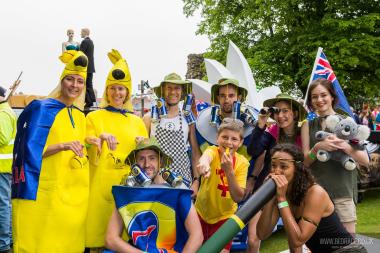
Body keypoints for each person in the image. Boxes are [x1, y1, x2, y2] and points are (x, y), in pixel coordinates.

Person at [11, 50, 89, 253]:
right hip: (44, 195)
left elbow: (79, 150)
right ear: (61, 81)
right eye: (70, 79)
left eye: (80, 81)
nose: (74, 85)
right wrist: (62, 146)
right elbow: (28, 152)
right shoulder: (42, 108)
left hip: (70, 195)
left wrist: (91, 143)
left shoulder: (80, 116)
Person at [85, 49, 148, 251]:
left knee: (126, 239)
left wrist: (144, 145)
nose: (117, 93)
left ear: (127, 92)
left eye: (121, 89)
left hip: (128, 189)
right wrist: (97, 139)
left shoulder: (137, 121)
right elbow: (85, 147)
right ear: (106, 91)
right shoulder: (94, 118)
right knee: (98, 238)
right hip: (99, 187)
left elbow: (146, 158)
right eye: (113, 88)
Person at [257, 143, 366, 253]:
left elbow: (297, 240)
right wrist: (270, 199)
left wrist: (281, 200)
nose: (276, 171)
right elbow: (262, 234)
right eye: (273, 165)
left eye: (283, 166)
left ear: (297, 169)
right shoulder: (282, 193)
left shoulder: (315, 193)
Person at [105, 137, 203, 253]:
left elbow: (197, 235)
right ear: (135, 163)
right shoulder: (128, 191)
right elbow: (110, 239)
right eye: (141, 158)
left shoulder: (177, 190)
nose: (147, 164)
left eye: (152, 158)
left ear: (160, 161)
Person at [301, 78, 369, 234]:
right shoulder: (307, 125)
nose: (319, 100)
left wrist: (344, 146)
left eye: (323, 95)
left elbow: (365, 160)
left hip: (342, 192)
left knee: (347, 245)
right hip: (315, 194)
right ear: (310, 100)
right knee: (321, 245)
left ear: (332, 96)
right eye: (314, 96)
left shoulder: (347, 123)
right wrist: (318, 147)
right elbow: (304, 162)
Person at [245, 93, 307, 253]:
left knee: (295, 243)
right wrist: (260, 124)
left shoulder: (304, 134)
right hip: (268, 190)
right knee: (253, 240)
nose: (281, 116)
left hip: (294, 193)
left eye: (285, 111)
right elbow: (253, 150)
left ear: (294, 113)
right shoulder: (272, 132)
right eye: (277, 111)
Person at [196, 118, 249, 253]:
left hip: (224, 219)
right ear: (217, 138)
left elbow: (238, 197)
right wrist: (204, 165)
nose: (229, 142)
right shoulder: (212, 151)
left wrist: (229, 171)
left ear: (241, 142)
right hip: (200, 214)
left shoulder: (242, 163)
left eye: (234, 139)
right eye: (224, 137)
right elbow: (205, 158)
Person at [143, 73, 201, 195]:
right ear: (163, 90)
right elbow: (143, 153)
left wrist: (196, 181)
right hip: (156, 181)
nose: (173, 92)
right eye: (169, 88)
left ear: (182, 92)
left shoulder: (188, 119)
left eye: (177, 88)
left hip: (183, 181)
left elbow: (195, 152)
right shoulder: (149, 118)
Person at [0, 86, 16, 253]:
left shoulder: (3, 114)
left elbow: (2, 137)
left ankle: (3, 244)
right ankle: (9, 238)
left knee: (3, 205)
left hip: (2, 167)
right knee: (6, 204)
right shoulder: (6, 110)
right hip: (5, 166)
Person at [80, 28, 96, 109]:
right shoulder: (91, 42)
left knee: (85, 84)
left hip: (85, 67)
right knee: (89, 84)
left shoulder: (84, 42)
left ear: (84, 32)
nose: (80, 34)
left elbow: (81, 53)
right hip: (91, 67)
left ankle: (89, 101)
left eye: (81, 32)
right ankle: (91, 100)